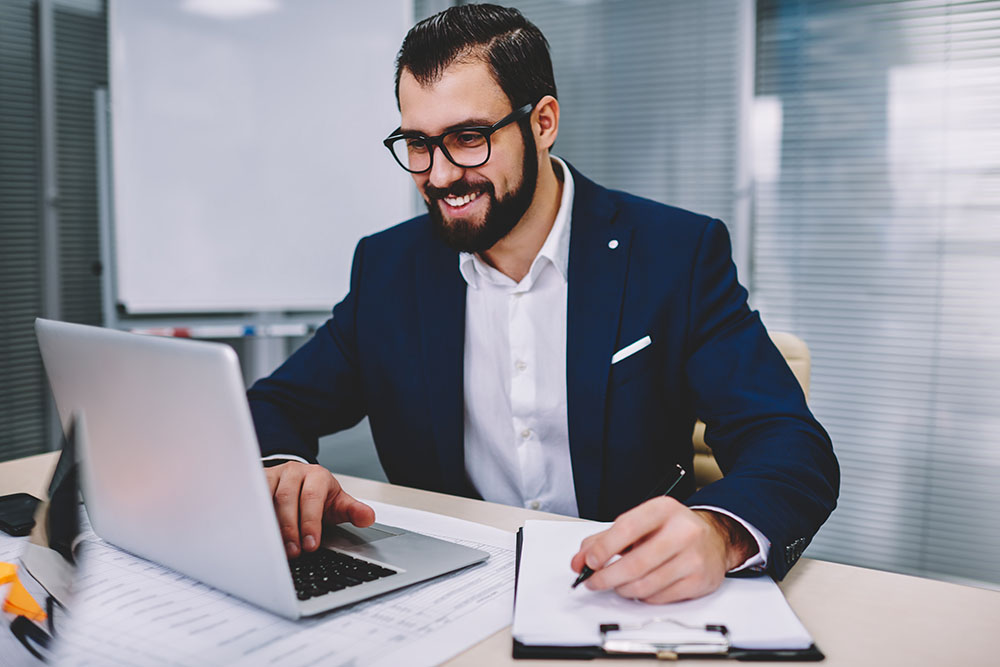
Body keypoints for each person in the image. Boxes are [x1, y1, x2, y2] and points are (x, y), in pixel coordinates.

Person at [248, 4, 839, 604]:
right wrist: (283, 466)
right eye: (419, 144)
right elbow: (276, 403)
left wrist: (720, 531)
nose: (441, 174)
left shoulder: (675, 254)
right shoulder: (388, 269)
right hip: (447, 590)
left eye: (468, 139)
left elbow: (788, 442)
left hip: (618, 589)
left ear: (544, 122)